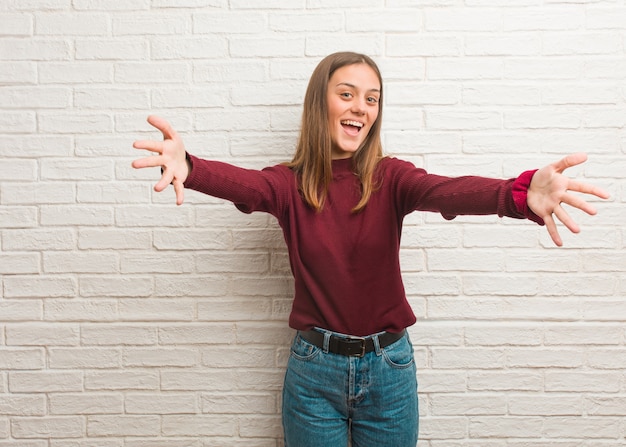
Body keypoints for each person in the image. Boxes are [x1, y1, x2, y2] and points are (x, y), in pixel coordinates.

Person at [132, 52, 609, 447]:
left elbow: (446, 191)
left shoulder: (391, 178)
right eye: (346, 94)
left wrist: (518, 195)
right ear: (320, 104)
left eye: (371, 98)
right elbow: (248, 185)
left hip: (390, 371)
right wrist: (189, 167)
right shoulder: (289, 184)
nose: (360, 107)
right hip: (313, 373)